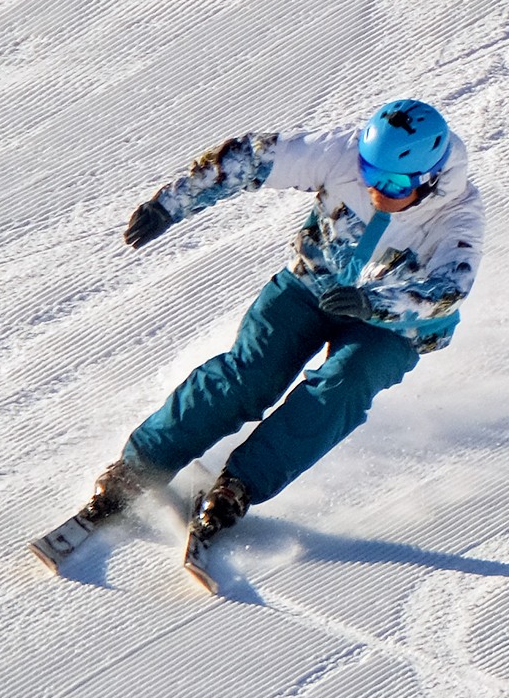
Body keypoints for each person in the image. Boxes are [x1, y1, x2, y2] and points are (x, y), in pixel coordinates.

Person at [44, 97, 482, 582]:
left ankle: (237, 486)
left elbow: (449, 289)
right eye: (368, 170)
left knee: (343, 385)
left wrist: (373, 305)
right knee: (251, 373)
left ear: (430, 180)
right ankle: (140, 467)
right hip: (313, 281)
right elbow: (250, 157)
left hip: (393, 322)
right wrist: (170, 203)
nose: (376, 189)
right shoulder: (336, 153)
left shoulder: (459, 216)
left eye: (395, 184)